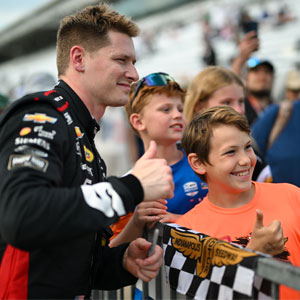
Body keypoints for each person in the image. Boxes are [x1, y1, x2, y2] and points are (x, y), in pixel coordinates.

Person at [0, 4, 175, 299]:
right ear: (78, 58)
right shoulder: (42, 115)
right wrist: (132, 186)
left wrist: (121, 262)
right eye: (121, 60)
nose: (133, 73)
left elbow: (69, 261)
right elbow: (23, 217)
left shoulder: (82, 134)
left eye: (134, 62)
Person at [176, 106, 300, 299]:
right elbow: (201, 293)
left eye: (248, 147)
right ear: (198, 163)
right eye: (230, 152)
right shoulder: (188, 230)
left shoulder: (292, 196)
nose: (246, 160)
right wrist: (253, 253)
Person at [110, 72, 208, 246]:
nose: (177, 115)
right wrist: (136, 222)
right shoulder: (128, 185)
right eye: (165, 109)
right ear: (138, 122)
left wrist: (181, 221)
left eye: (180, 108)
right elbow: (111, 250)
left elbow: (233, 212)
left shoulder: (205, 160)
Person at [184, 65, 272, 182]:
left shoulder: (250, 147)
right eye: (227, 102)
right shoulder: (177, 155)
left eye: (241, 101)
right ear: (199, 107)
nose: (239, 110)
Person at [231, 32, 275, 125]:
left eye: (267, 72)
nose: (262, 75)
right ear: (246, 78)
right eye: (256, 71)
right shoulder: (240, 107)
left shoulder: (279, 109)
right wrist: (242, 56)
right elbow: (232, 78)